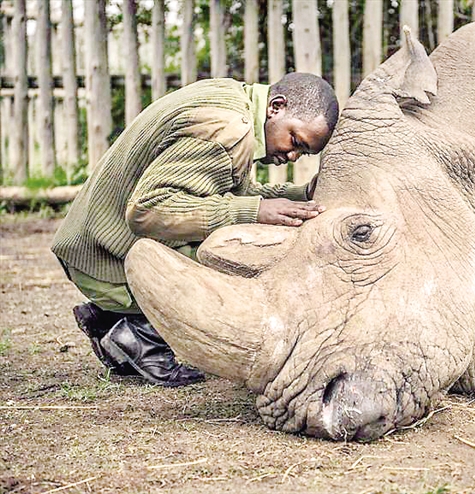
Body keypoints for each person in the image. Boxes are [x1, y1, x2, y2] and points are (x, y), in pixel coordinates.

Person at [51, 73, 340, 387]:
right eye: (295, 141)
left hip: (93, 243)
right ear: (277, 107)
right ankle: (138, 332)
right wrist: (254, 212)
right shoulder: (228, 131)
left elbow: (221, 192)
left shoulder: (234, 100)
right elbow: (148, 211)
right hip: (103, 258)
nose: (292, 155)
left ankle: (115, 318)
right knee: (240, 252)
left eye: (304, 153)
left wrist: (299, 196)